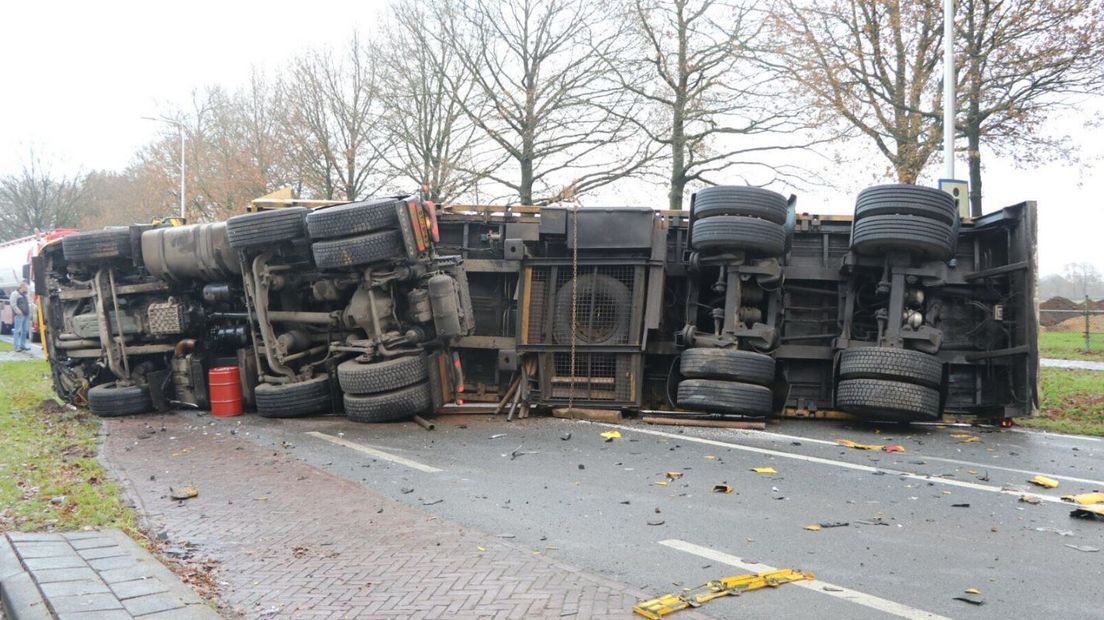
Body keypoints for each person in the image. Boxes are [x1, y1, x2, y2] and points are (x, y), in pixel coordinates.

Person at [9, 281, 31, 352]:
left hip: (26, 314)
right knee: (17, 330)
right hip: (19, 315)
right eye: (26, 287)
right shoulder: (15, 294)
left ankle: (22, 345)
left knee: (24, 331)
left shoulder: (25, 294)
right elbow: (13, 304)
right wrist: (19, 312)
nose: (27, 289)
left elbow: (29, 304)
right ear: (22, 287)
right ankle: (16, 347)